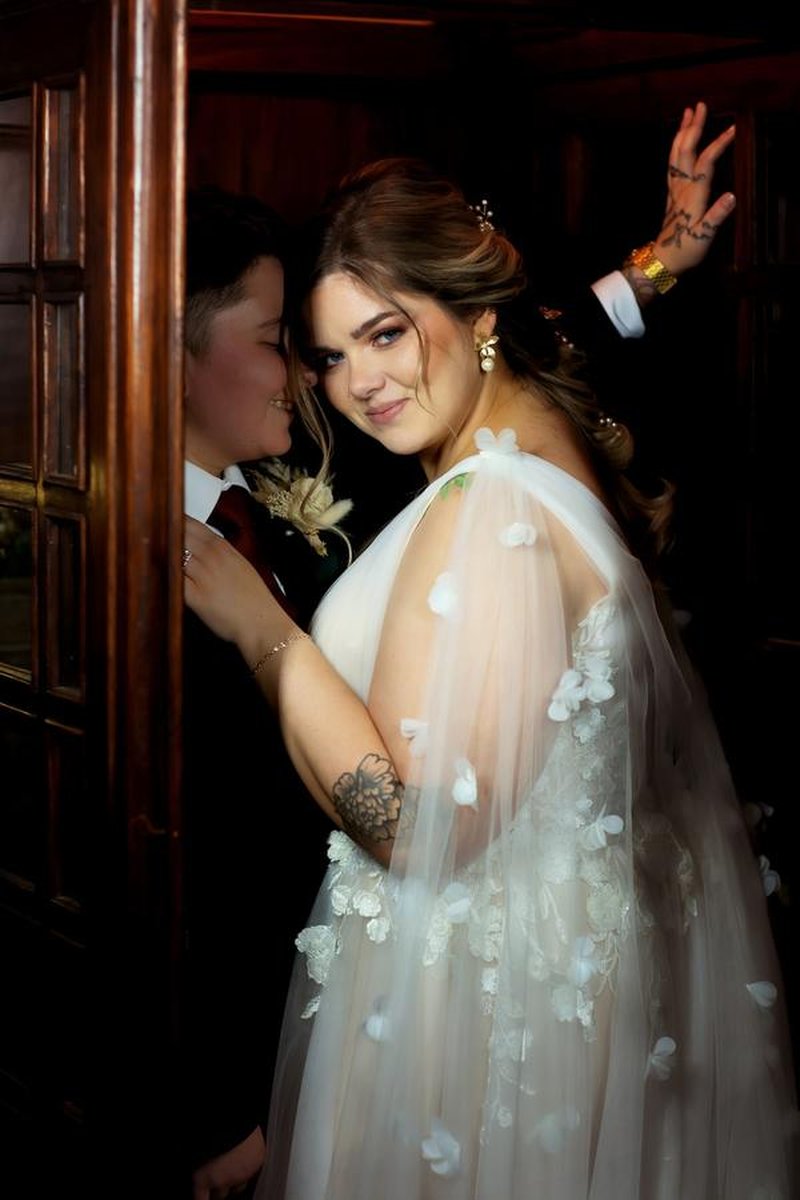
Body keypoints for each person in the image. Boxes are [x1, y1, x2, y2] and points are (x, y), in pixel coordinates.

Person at [182, 110, 797, 1198]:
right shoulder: (531, 445)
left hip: (468, 1016)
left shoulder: (487, 507)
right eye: (325, 354)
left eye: (382, 334)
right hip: (531, 983)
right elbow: (552, 340)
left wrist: (264, 633)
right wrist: (654, 266)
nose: (355, 383)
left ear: (469, 313)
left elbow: (414, 832)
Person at [180, 187, 347, 1200]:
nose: (299, 377)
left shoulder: (278, 526)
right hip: (227, 1092)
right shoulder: (111, 571)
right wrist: (225, 1111)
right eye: (275, 339)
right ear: (173, 352)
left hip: (318, 1043)